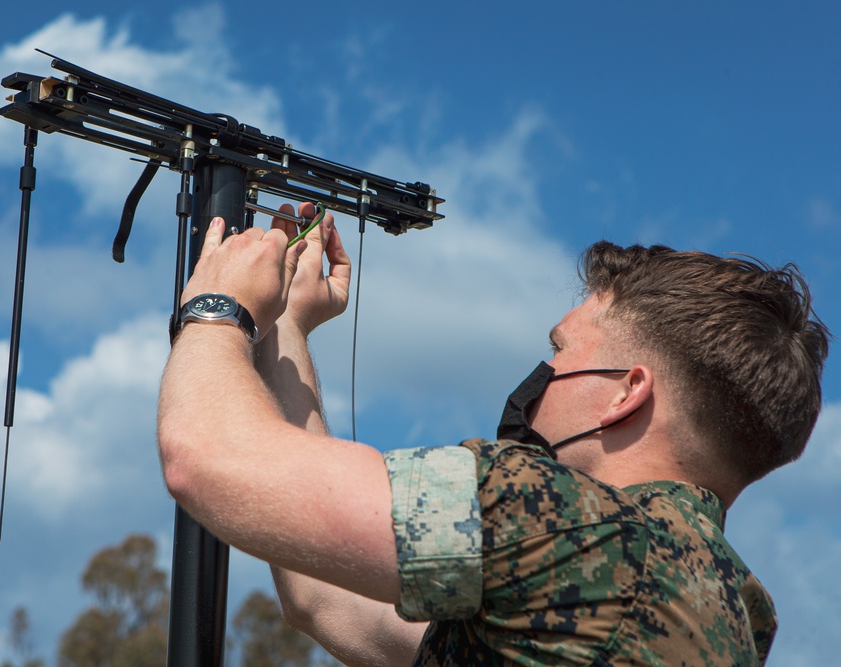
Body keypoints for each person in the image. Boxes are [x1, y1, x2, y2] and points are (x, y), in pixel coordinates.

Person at [156, 202, 830, 666]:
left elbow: (206, 457)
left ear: (629, 389)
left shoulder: (567, 523)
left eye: (561, 349)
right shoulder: (730, 604)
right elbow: (324, 598)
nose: (545, 370)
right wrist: (287, 330)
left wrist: (220, 304)